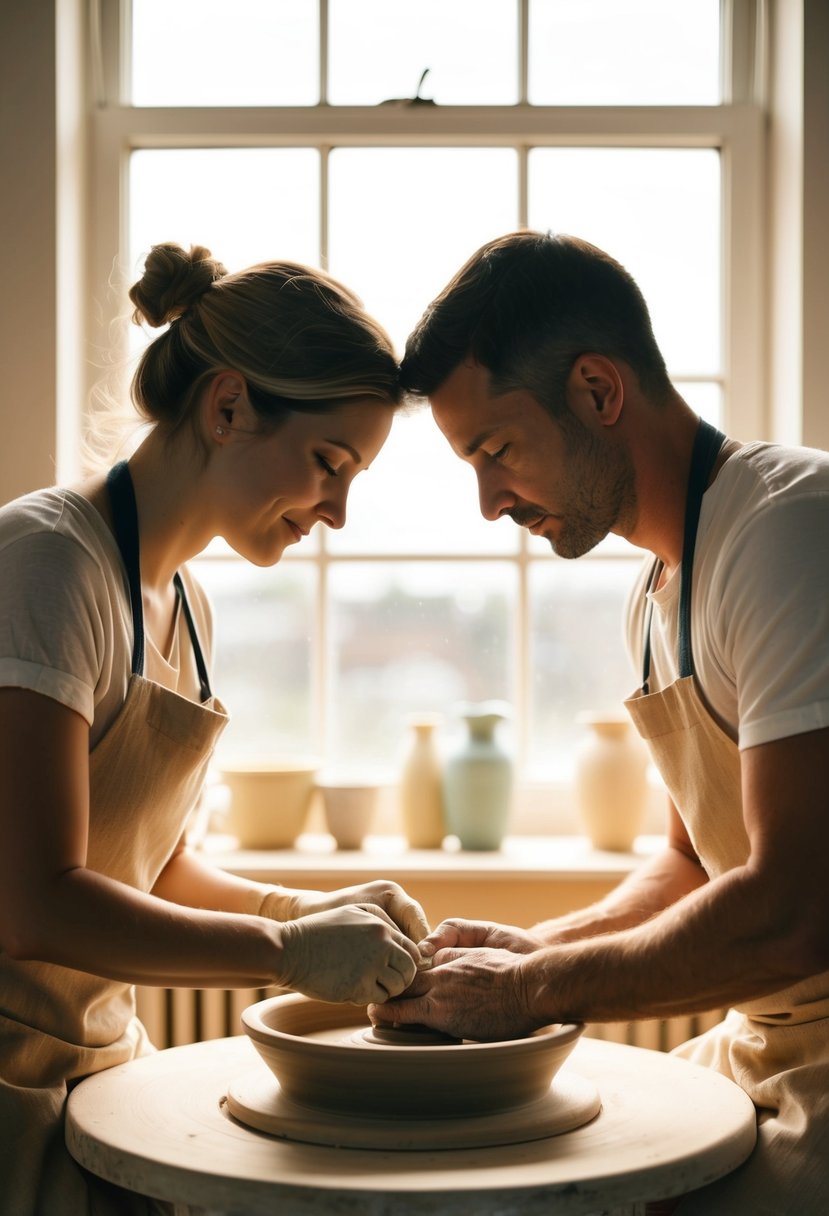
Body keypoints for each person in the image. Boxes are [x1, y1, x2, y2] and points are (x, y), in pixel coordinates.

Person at [369, 230, 829, 1214]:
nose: (489, 501)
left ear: (596, 391)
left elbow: (794, 905)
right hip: (766, 1041)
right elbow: (692, 864)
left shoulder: (791, 532)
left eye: (495, 451)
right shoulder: (657, 592)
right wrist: (529, 949)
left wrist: (534, 992)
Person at [0, 242, 429, 1214]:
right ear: (228, 406)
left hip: (98, 1063)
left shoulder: (185, 605)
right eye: (330, 463)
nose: (338, 511)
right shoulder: (47, 563)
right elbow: (34, 904)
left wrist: (302, 910)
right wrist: (281, 954)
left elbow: (152, 870)